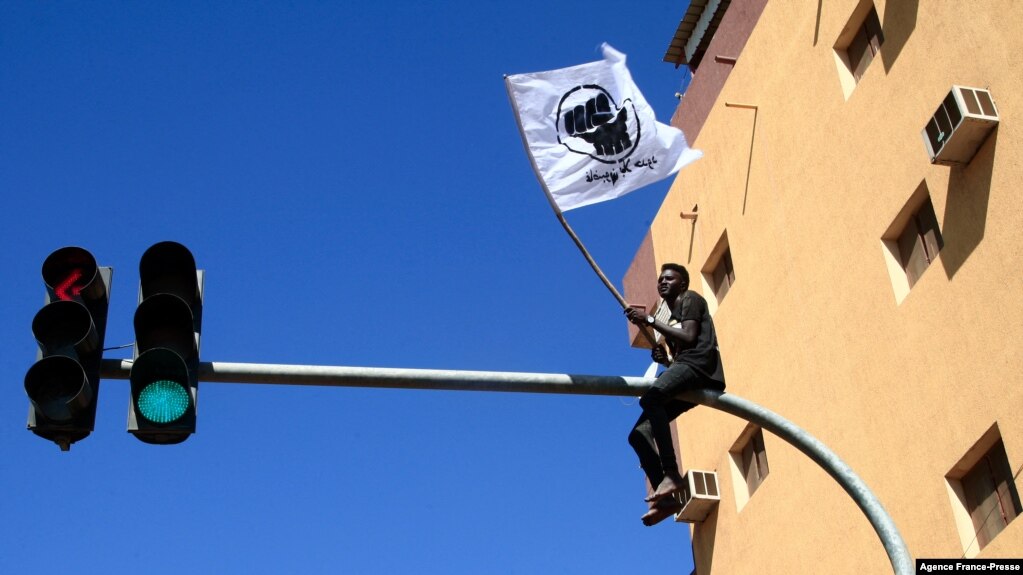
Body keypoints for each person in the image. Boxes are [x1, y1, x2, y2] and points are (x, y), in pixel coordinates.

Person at [624, 263, 726, 526]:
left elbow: (691, 338)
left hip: (700, 368)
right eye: (660, 279)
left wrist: (648, 320)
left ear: (683, 284)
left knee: (652, 398)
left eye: (669, 278)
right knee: (638, 434)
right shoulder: (671, 315)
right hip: (686, 370)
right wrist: (665, 359)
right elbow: (679, 358)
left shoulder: (690, 299)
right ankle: (666, 496)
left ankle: (671, 473)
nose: (663, 282)